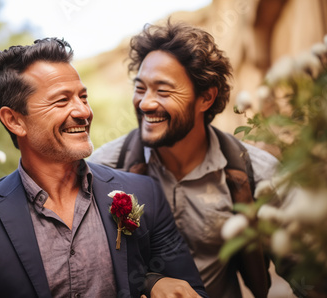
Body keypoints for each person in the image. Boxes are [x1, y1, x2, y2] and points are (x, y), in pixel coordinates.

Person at [0, 37, 208, 298]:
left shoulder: (144, 192)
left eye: (83, 97)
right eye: (62, 100)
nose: (84, 112)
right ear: (14, 120)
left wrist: (152, 281)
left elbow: (188, 290)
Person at [89, 21, 279, 298]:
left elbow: (307, 272)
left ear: (206, 98)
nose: (145, 103)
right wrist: (148, 281)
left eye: (163, 91)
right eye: (140, 88)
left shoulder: (258, 173)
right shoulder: (102, 169)